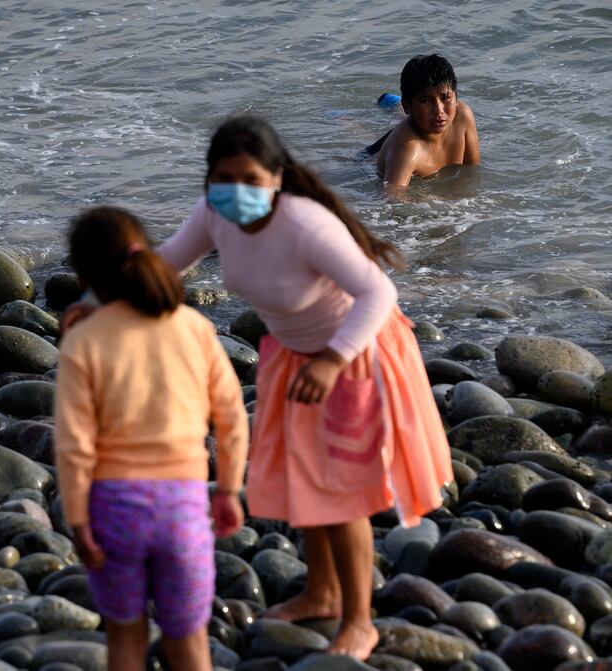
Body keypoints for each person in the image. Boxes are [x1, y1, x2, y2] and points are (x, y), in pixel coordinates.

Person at [155, 115, 454, 660]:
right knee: (303, 480)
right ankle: (321, 592)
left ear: (275, 178)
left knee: (342, 494)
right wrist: (99, 298)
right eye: (223, 179)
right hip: (294, 358)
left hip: (354, 353)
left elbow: (378, 292)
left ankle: (360, 622)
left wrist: (333, 360)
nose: (235, 192)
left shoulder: (304, 224)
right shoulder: (214, 215)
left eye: (249, 181)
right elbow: (165, 265)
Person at [53, 206, 249, 671]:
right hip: (183, 509)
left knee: (125, 639)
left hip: (114, 510)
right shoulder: (194, 329)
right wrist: (228, 490)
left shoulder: (84, 340)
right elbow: (231, 419)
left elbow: (73, 444)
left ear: (84, 276)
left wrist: (78, 522)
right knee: (190, 644)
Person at [367, 54, 480, 191]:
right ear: (407, 106)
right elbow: (391, 199)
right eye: (425, 100)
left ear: (456, 98)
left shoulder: (463, 115)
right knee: (365, 138)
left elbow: (472, 168)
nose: (439, 110)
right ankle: (343, 118)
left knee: (422, 117)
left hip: (416, 123)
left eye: (445, 98)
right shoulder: (407, 149)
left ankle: (393, 102)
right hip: (377, 153)